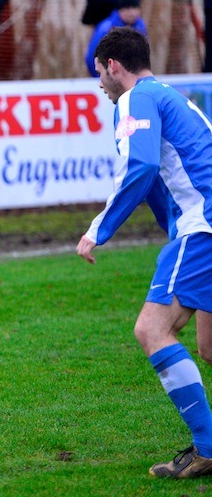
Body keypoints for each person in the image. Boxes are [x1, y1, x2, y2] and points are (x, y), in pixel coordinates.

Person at [77, 26, 212, 478]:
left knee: (152, 330)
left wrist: (100, 228)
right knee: (209, 345)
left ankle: (207, 449)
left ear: (113, 67)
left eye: (99, 73)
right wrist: (170, 229)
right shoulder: (167, 94)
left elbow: (143, 166)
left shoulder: (134, 99)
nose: (99, 85)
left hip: (206, 226)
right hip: (199, 225)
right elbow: (159, 179)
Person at [84, 0, 147, 77]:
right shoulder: (106, 28)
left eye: (135, 8)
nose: (131, 13)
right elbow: (91, 57)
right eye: (127, 9)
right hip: (110, 79)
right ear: (119, 10)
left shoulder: (140, 26)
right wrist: (101, 77)